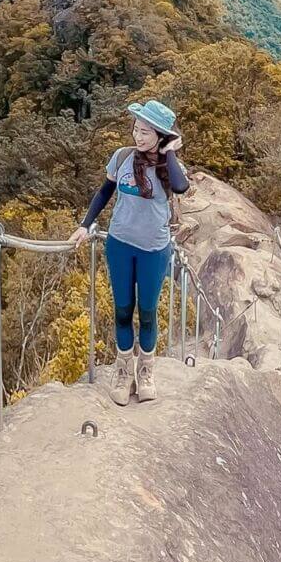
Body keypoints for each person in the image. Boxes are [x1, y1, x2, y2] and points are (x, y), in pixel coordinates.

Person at [69, 99, 190, 405]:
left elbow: (180, 187)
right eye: (137, 129)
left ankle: (146, 371)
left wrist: (169, 152)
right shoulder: (122, 157)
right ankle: (124, 372)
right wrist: (86, 225)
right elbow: (105, 191)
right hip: (120, 245)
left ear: (161, 136)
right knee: (123, 311)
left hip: (153, 250)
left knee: (147, 314)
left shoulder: (169, 167)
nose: (139, 136)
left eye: (147, 132)